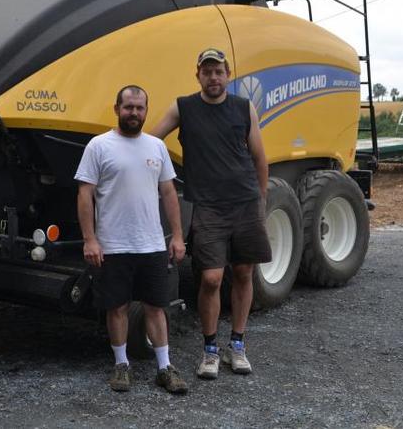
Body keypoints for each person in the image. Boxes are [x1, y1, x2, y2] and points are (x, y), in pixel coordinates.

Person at [151, 48, 271, 380]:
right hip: (208, 207)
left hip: (245, 202)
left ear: (228, 74)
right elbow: (152, 139)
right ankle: (209, 350)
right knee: (211, 278)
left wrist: (261, 200)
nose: (213, 77)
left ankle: (237, 344)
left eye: (218, 71)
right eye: (207, 71)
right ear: (198, 75)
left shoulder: (243, 108)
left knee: (244, 273)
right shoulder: (184, 107)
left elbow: (260, 158)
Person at [75, 85, 188, 394]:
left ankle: (164, 368)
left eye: (140, 108)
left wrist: (177, 235)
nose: (134, 113)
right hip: (113, 245)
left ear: (146, 111)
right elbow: (85, 195)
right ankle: (121, 365)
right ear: (117, 109)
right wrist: (90, 240)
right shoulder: (99, 146)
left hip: (150, 244)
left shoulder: (156, 147)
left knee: (155, 307)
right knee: (117, 308)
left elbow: (168, 193)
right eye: (128, 107)